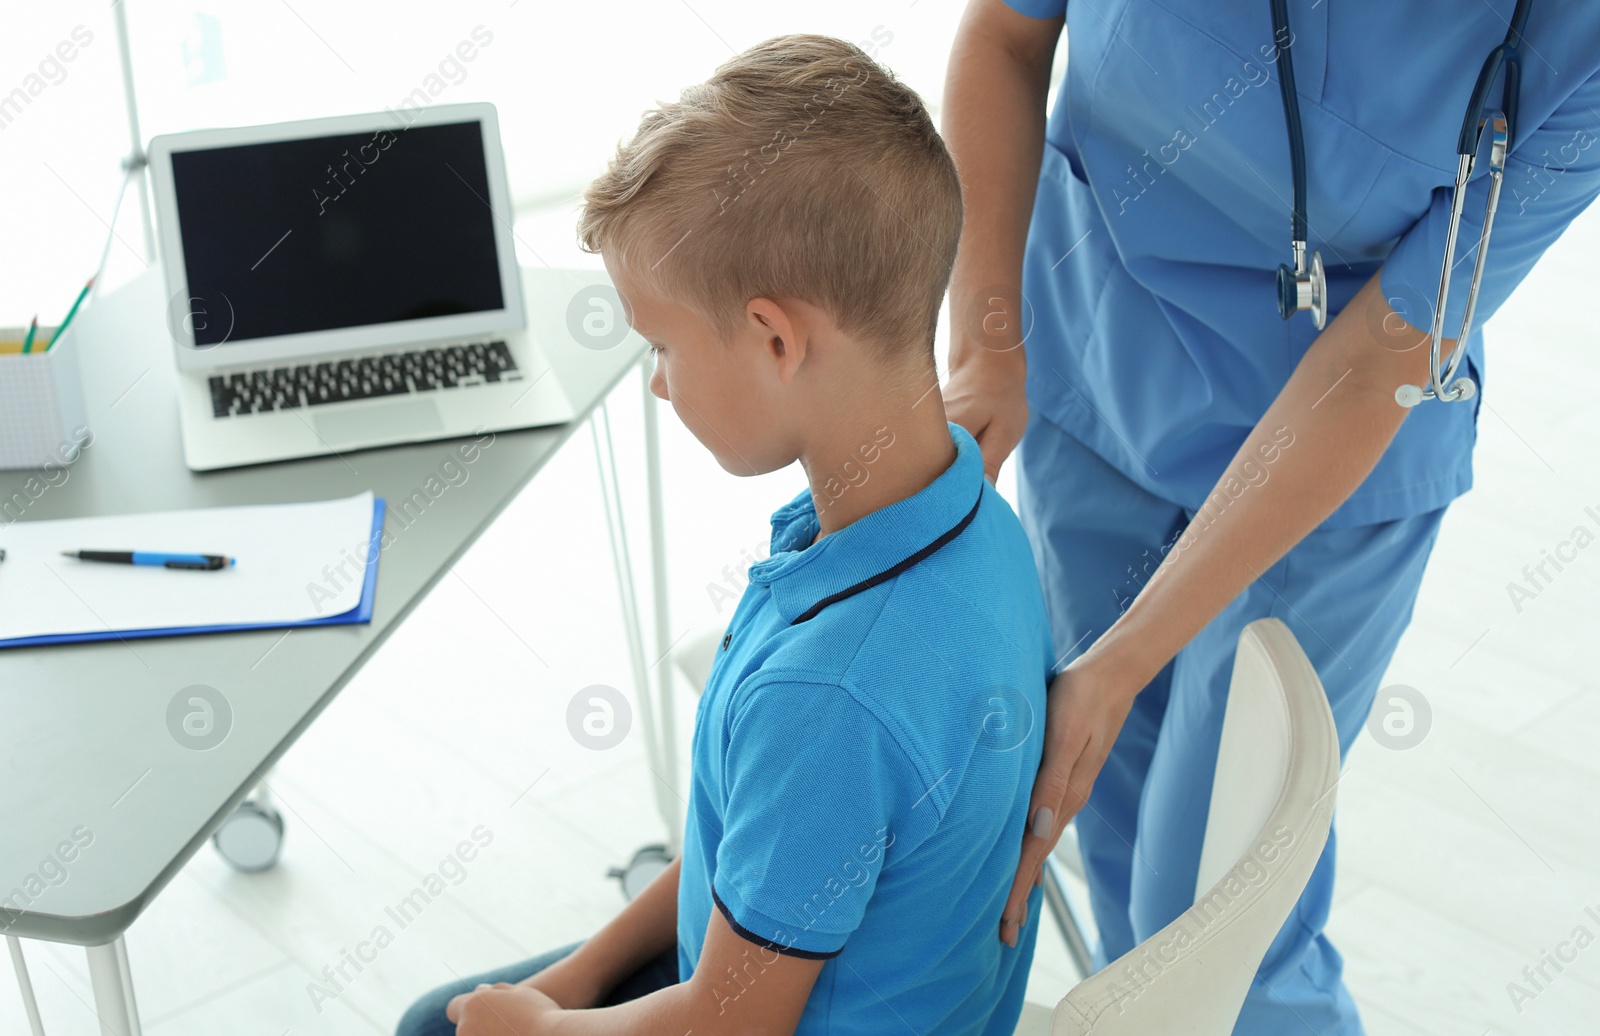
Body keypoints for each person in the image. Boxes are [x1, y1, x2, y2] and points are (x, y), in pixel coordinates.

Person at [941, 1, 1600, 1032]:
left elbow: (1385, 349)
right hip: (1094, 353)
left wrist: (1122, 661)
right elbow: (1006, 35)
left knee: (1212, 917)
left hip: (1329, 455)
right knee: (1100, 824)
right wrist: (986, 344)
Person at [395, 33, 1056, 1036]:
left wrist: (533, 1028)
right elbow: (737, 843)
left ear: (775, 338)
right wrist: (570, 985)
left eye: (660, 343)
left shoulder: (826, 695)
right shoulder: (972, 519)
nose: (656, 380)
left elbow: (725, 1024)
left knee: (431, 1027)